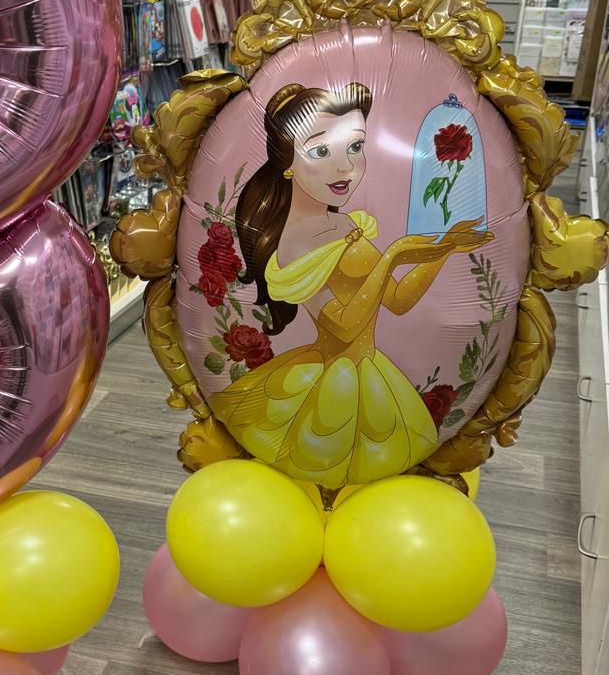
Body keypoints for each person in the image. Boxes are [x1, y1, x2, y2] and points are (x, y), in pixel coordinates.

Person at [209, 81, 491, 488]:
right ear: (288, 161)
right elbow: (342, 325)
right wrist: (392, 256)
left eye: (355, 147)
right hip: (330, 381)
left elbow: (397, 300)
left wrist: (444, 248)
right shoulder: (293, 242)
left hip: (371, 373)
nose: (345, 167)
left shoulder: (343, 224)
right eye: (321, 152)